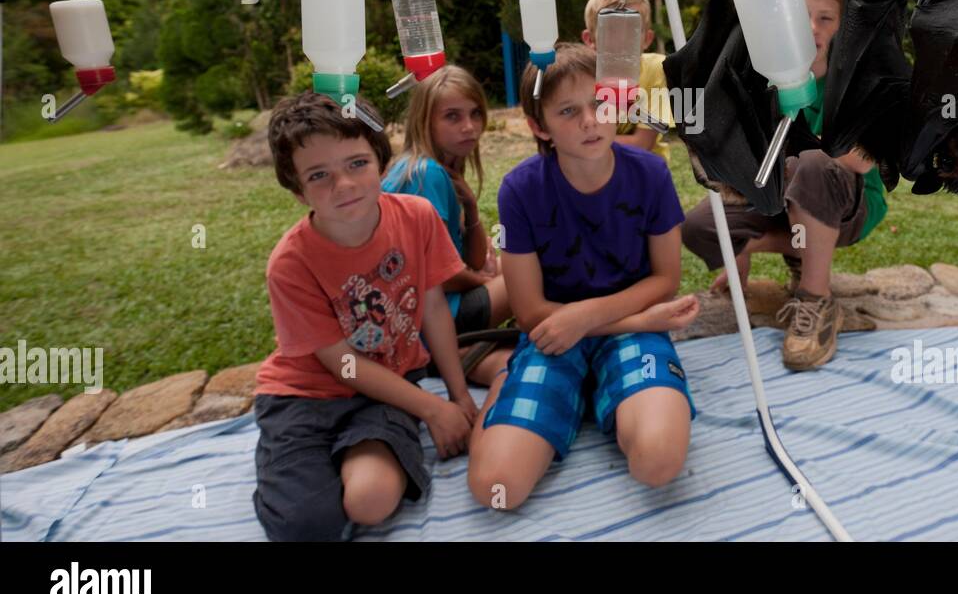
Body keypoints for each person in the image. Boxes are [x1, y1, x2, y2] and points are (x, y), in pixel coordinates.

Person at [467, 43, 700, 511]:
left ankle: (595, 391)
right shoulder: (519, 189)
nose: (590, 120)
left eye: (600, 102)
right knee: (497, 489)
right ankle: (509, 383)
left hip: (611, 322)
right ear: (539, 126)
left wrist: (590, 317)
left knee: (657, 463)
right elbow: (531, 311)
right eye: (568, 111)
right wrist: (634, 323)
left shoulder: (651, 173)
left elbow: (665, 279)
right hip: (558, 333)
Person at [251, 91, 475, 541]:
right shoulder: (291, 263)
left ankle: (347, 458)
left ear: (381, 162)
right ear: (297, 190)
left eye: (357, 164)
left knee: (370, 501)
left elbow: (433, 308)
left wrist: (458, 395)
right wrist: (432, 408)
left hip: (386, 393)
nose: (345, 185)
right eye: (319, 175)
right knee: (307, 527)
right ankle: (292, 464)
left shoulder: (417, 216)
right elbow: (343, 363)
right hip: (303, 398)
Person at [681, 0, 889, 371]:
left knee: (811, 163)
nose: (812, 27)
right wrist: (736, 262)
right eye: (801, 16)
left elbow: (863, 162)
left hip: (850, 205)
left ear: (842, 26)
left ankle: (816, 299)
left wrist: (801, 134)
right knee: (703, 226)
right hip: (780, 197)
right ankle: (803, 250)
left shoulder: (859, 80)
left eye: (825, 18)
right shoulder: (763, 81)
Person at [382, 64, 513, 384]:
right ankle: (452, 354)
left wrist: (470, 206)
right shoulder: (425, 174)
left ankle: (465, 353)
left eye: (475, 114)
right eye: (452, 116)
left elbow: (469, 258)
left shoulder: (436, 169)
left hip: (432, 314)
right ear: (426, 121)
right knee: (529, 268)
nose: (469, 126)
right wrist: (481, 280)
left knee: (513, 262)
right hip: (431, 319)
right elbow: (432, 271)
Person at [581, 0, 675, 164]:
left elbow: (642, 143)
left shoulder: (658, 69)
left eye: (630, 30)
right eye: (611, 30)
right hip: (595, 170)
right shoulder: (580, 77)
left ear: (647, 39)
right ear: (590, 39)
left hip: (646, 170)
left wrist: (583, 142)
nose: (621, 40)